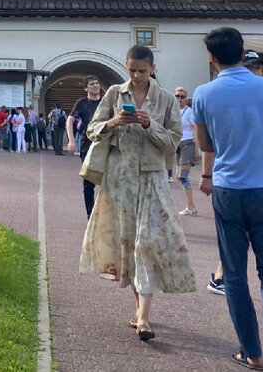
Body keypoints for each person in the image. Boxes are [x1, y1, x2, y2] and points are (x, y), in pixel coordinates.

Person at [79, 45, 194, 341]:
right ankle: (140, 311)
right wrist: (113, 122)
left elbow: (173, 142)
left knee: (147, 242)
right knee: (127, 243)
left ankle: (144, 318)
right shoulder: (115, 94)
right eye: (132, 70)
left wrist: (148, 124)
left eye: (142, 70)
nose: (137, 75)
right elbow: (92, 130)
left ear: (152, 68)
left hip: (152, 178)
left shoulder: (167, 99)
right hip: (119, 178)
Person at [193, 27, 263, 372]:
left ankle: (251, 351)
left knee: (234, 272)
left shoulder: (203, 93)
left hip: (228, 187)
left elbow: (205, 145)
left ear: (212, 57)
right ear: (244, 50)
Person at [69, 77, 104, 216]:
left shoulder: (105, 102)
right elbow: (70, 120)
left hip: (104, 144)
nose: (95, 85)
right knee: (88, 182)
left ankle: (104, 213)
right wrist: (71, 141)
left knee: (107, 180)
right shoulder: (82, 103)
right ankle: (90, 215)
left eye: (97, 83)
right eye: (92, 84)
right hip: (87, 146)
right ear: (86, 88)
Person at [174, 87, 197, 215]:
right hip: (177, 144)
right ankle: (189, 205)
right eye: (177, 96)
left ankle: (191, 206)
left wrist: (197, 149)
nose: (179, 99)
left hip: (187, 143)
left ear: (186, 99)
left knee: (183, 177)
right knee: (178, 177)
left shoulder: (189, 112)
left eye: (182, 97)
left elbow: (196, 129)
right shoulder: (173, 111)